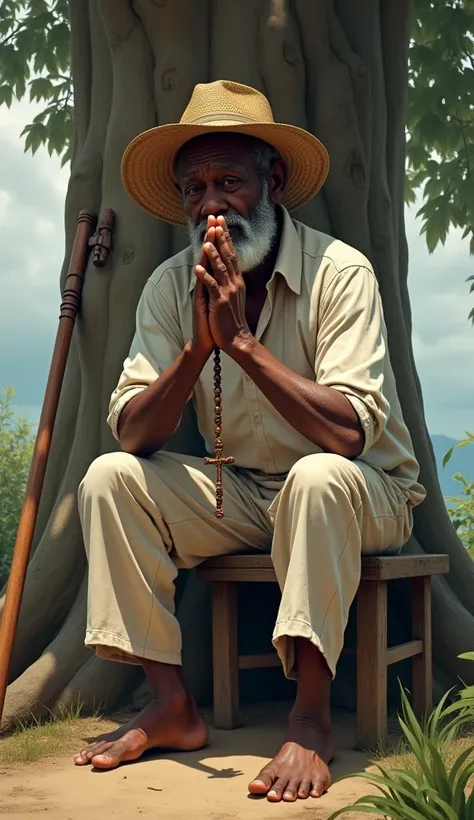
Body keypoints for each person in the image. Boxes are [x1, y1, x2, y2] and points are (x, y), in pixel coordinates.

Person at [73, 80, 425, 802]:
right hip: (241, 491)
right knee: (109, 477)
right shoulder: (172, 286)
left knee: (319, 477)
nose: (211, 205)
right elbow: (136, 430)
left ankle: (310, 721)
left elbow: (350, 434)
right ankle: (172, 706)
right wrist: (198, 350)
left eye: (229, 181)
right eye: (194, 189)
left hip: (364, 492)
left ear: (276, 180)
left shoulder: (340, 272)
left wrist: (240, 344)